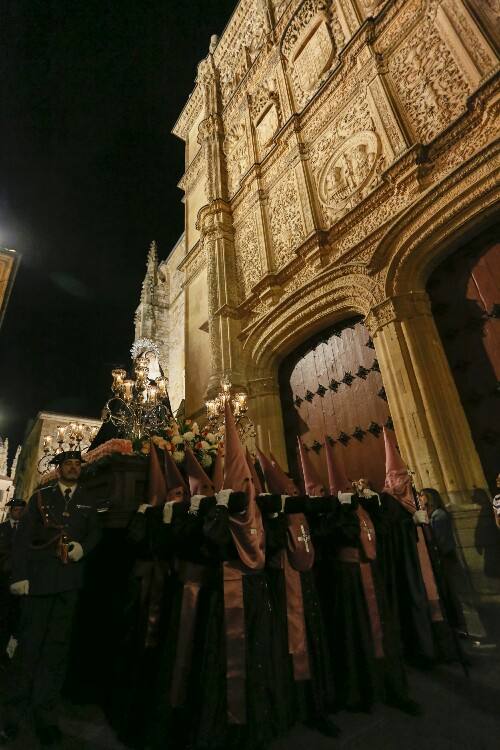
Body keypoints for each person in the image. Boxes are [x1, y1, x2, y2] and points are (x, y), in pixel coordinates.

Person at [1, 451, 102, 747]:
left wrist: (83, 547)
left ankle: (45, 715)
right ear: (58, 469)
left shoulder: (89, 498)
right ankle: (12, 715)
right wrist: (19, 577)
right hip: (41, 582)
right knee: (28, 651)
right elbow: (22, 541)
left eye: (76, 464)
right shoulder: (41, 497)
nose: (73, 468)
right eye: (68, 464)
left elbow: (96, 531)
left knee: (56, 654)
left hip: (68, 585)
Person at [418, 488, 466, 632]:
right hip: (443, 558)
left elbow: (440, 540)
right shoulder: (432, 515)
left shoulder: (439, 515)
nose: (419, 498)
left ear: (430, 498)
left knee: (452, 593)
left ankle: (460, 626)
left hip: (445, 559)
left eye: (422, 496)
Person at [0, 500, 26, 664]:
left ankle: (6, 652)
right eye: (15, 510)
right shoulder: (2, 528)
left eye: (21, 510)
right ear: (11, 511)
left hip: (18, 579)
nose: (18, 513)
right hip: (2, 577)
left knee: (13, 616)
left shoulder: (26, 530)